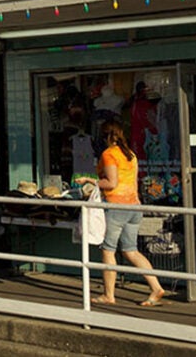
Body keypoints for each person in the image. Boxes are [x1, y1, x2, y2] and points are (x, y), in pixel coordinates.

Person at [75, 121, 165, 307]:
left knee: (108, 249)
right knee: (131, 250)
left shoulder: (109, 154)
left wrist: (90, 181)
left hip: (116, 206)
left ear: (106, 137)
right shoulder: (130, 154)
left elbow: (111, 183)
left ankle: (109, 295)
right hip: (134, 206)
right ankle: (156, 288)